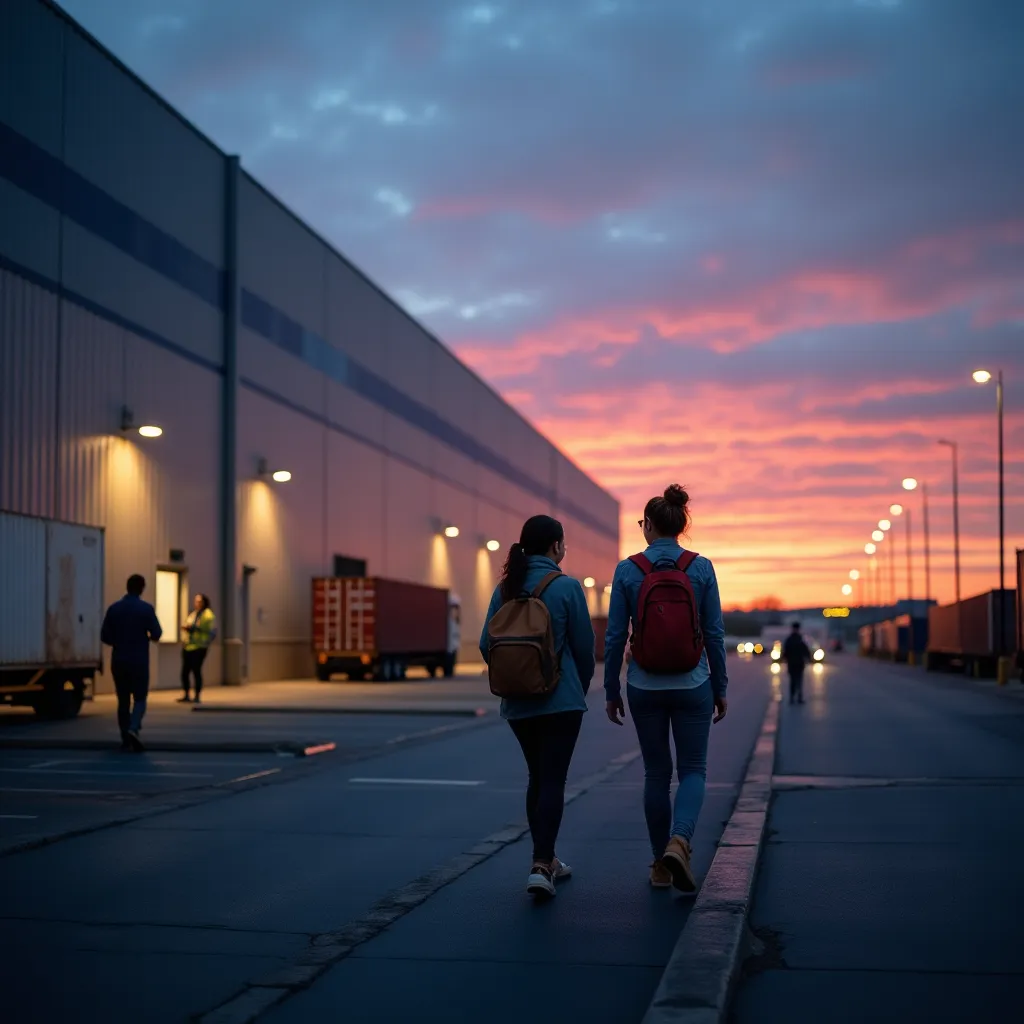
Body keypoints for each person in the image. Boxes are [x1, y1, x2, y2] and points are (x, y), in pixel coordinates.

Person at [604, 485, 728, 893]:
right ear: (680, 526)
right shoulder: (702, 567)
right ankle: (681, 840)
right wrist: (720, 686)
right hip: (694, 682)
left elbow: (614, 636)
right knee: (693, 770)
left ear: (650, 526)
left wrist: (610, 688)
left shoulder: (627, 569)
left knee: (656, 773)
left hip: (644, 683)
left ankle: (660, 863)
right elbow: (713, 633)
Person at [480, 515, 596, 899]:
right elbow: (584, 649)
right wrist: (578, 683)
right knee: (553, 780)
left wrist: (517, 675)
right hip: (561, 702)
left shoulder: (505, 588)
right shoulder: (566, 587)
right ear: (556, 546)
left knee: (537, 777)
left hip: (518, 703)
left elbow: (486, 644)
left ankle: (545, 859)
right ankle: (542, 864)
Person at [100, 574, 162, 751]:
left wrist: (119, 641)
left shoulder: (114, 609)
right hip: (139, 660)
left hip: (119, 659)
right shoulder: (146, 609)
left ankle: (125, 737)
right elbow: (157, 634)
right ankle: (133, 728)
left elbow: (104, 636)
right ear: (142, 588)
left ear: (127, 587)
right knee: (140, 698)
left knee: (123, 700)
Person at [179, 593, 216, 704]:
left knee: (196, 671)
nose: (197, 603)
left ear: (205, 602)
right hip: (189, 646)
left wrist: (195, 629)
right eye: (196, 601)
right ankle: (186, 694)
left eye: (200, 601)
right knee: (185, 672)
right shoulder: (193, 614)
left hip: (200, 647)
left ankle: (197, 696)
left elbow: (210, 631)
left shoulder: (208, 615)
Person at [783, 622, 812, 705]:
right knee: (798, 681)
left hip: (793, 663)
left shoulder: (790, 639)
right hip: (797, 663)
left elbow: (786, 651)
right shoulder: (800, 639)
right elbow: (805, 650)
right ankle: (797, 697)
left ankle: (793, 698)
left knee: (794, 681)